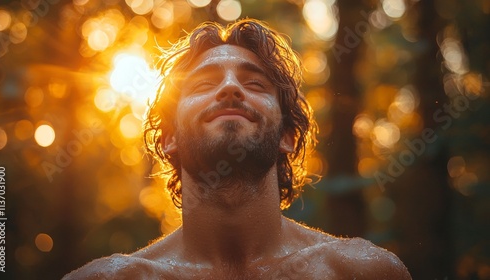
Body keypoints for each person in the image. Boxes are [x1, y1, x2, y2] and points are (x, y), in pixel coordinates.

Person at [63, 19, 411, 279]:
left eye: (254, 83)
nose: (230, 88)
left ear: (287, 136)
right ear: (169, 137)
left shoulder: (361, 272)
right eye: (205, 83)